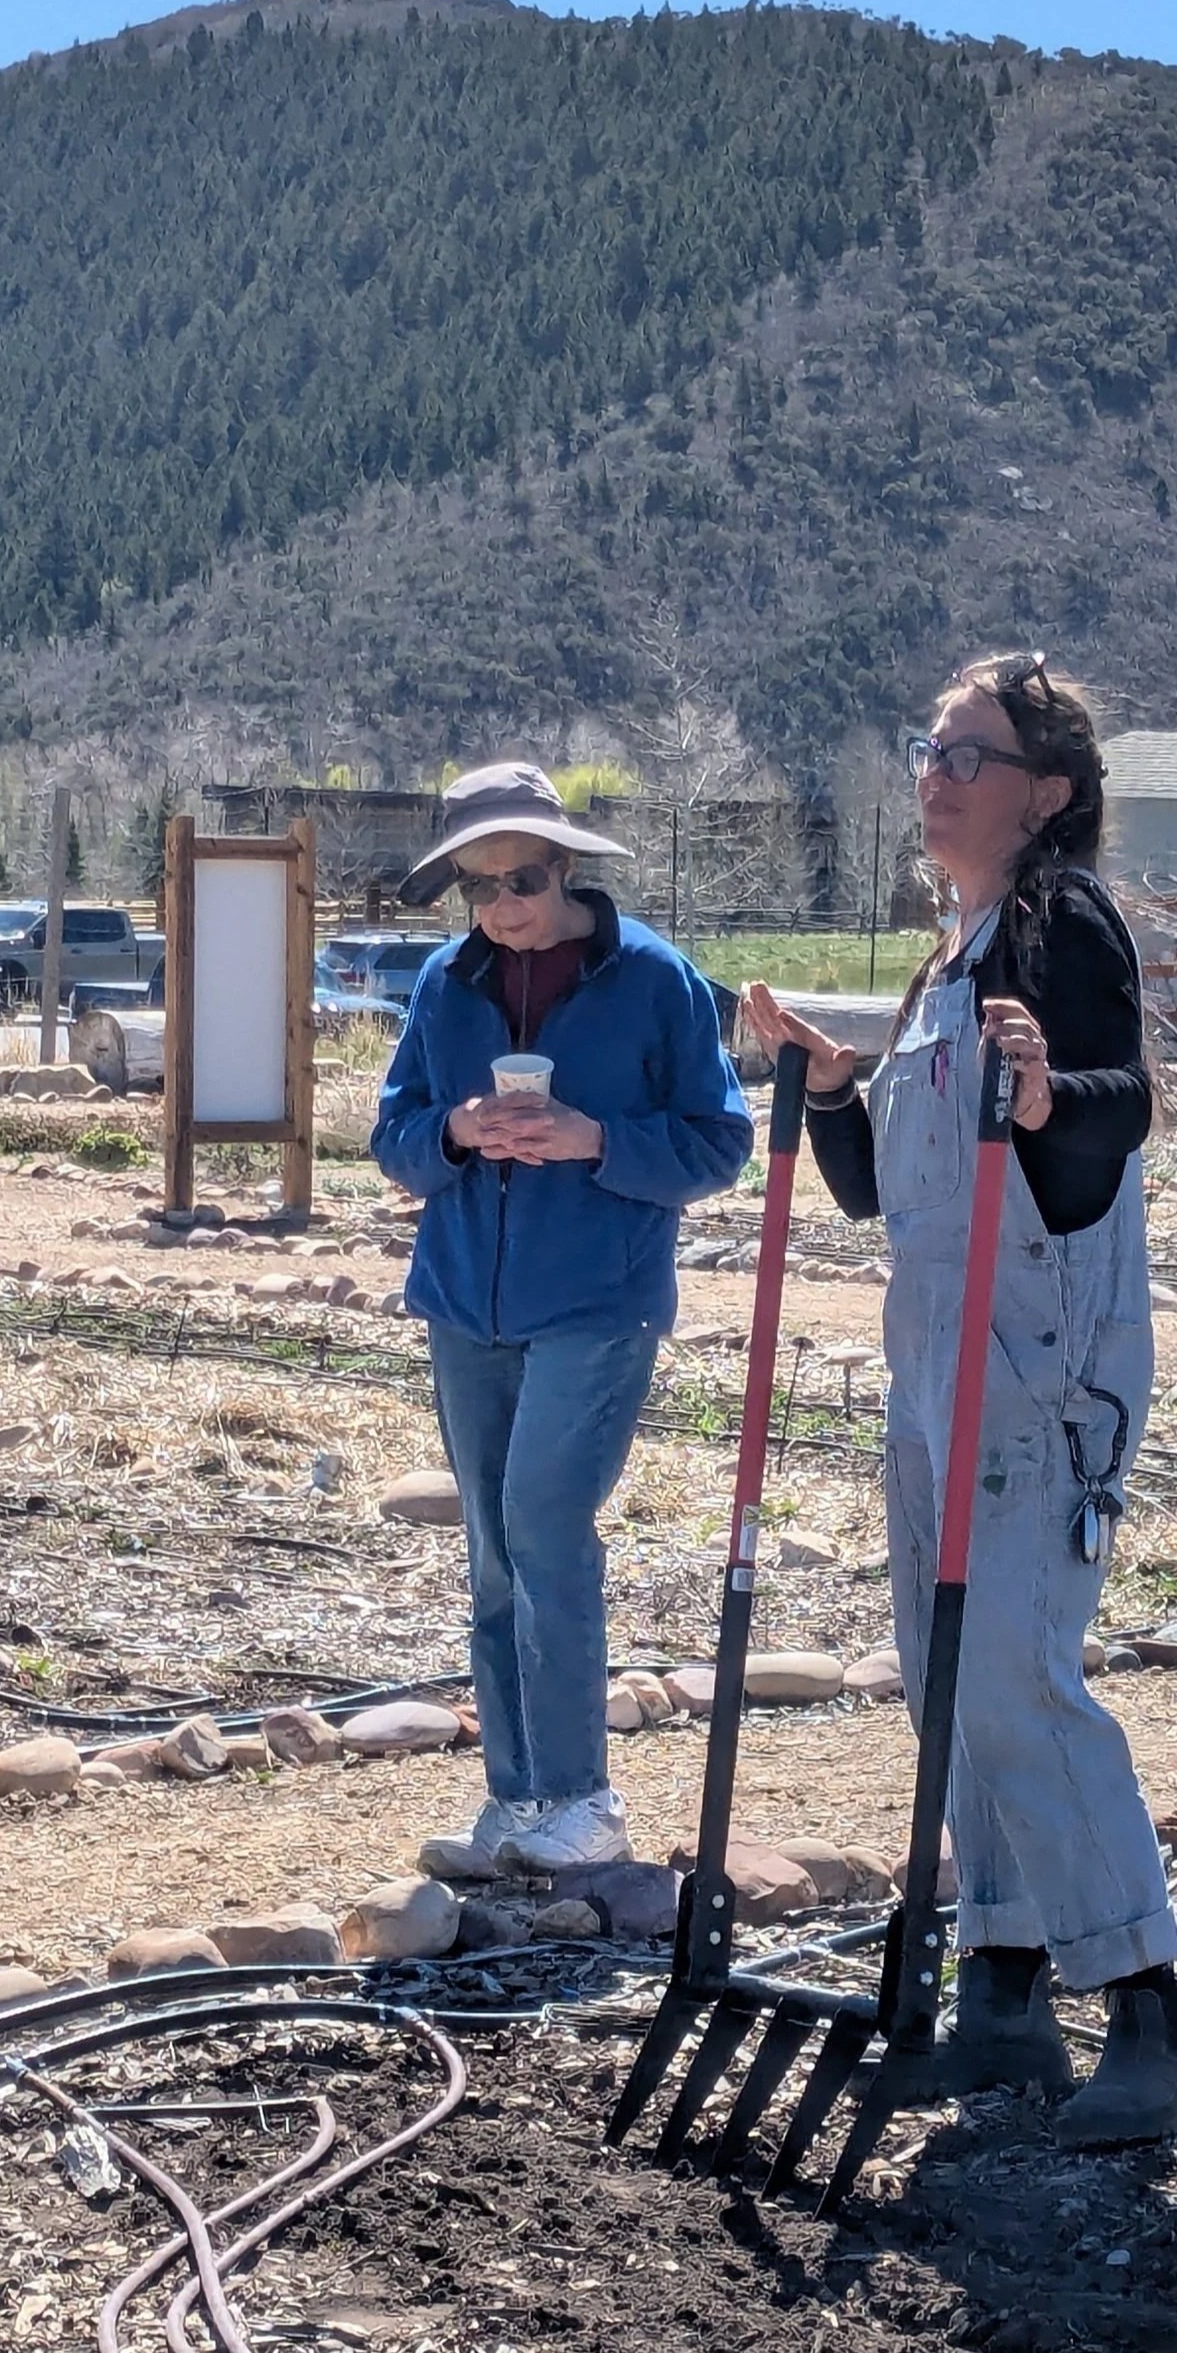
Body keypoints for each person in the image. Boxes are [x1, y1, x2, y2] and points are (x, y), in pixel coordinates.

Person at [742, 651, 1177, 2148]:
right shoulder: (946, 958)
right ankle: (1003, 1996)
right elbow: (885, 1191)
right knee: (946, 1676)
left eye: (968, 754)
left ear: (1047, 791)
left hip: (1038, 1362)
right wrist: (832, 1087)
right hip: (935, 1365)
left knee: (1014, 1671)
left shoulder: (1056, 919)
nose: (934, 777)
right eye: (929, 749)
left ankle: (1150, 2017)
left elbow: (1118, 1111)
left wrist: (1045, 1095)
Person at [374, 763, 752, 1879]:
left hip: (597, 1304)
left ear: (567, 867)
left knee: (543, 1526)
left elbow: (719, 1142)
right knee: (493, 1553)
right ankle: (517, 1797)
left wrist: (595, 1140)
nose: (503, 906)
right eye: (478, 886)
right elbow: (395, 1136)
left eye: (524, 879)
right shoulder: (445, 983)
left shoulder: (655, 981)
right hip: (464, 1303)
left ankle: (584, 1797)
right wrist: (456, 1132)